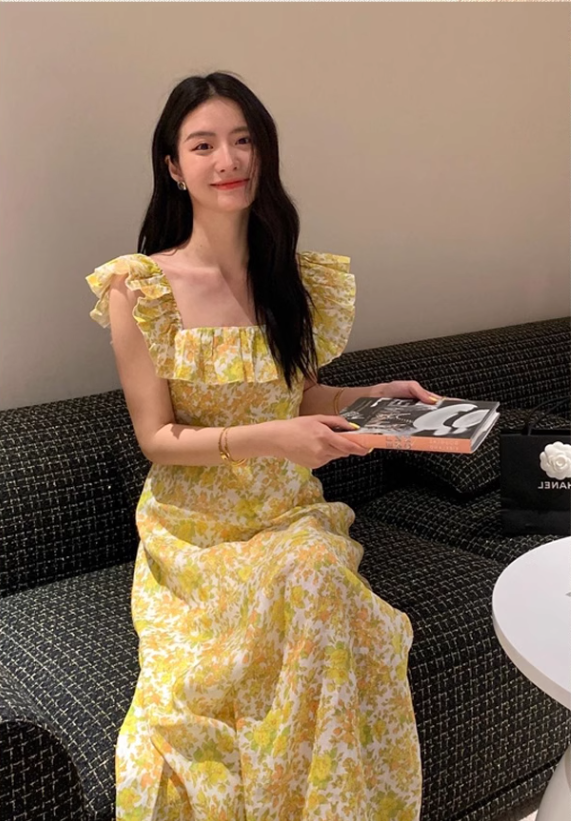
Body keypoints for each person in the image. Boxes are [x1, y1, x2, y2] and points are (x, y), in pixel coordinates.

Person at [86, 71, 436, 821]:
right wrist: (273, 438)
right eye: (203, 145)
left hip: (285, 511)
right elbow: (157, 438)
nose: (228, 159)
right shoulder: (139, 289)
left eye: (243, 140)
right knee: (300, 595)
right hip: (197, 528)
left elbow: (301, 398)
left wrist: (377, 398)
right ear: (173, 167)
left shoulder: (290, 278)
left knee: (320, 582)